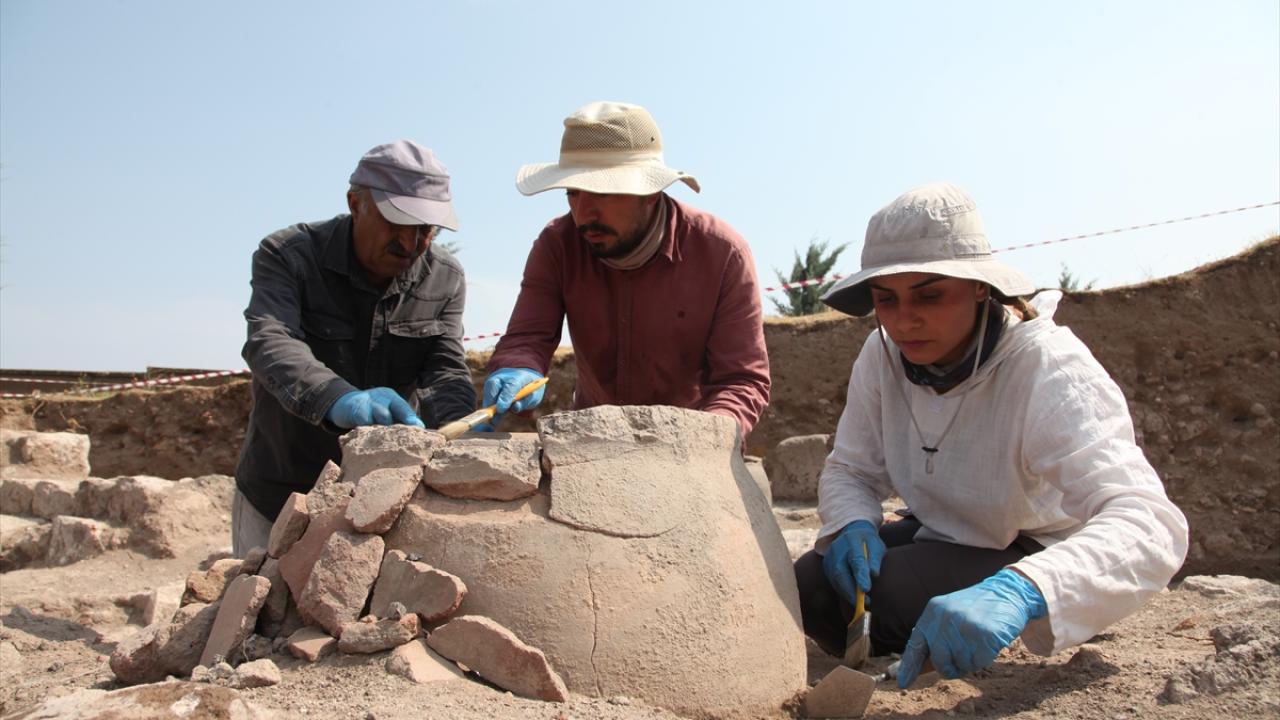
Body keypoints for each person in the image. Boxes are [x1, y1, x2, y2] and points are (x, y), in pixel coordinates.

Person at [794, 182, 1188, 688]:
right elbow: (852, 468)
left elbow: (1151, 522)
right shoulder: (881, 354)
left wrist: (1027, 588)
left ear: (980, 287)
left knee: (887, 600)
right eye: (885, 300)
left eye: (929, 295)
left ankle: (1029, 605)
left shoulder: (1047, 365)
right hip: (941, 530)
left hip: (1033, 546)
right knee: (813, 586)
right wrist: (852, 523)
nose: (904, 320)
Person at [233, 140, 476, 556]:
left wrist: (462, 425)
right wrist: (337, 399)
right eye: (398, 222)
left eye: (425, 229)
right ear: (355, 204)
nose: (410, 243)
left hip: (384, 501)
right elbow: (271, 342)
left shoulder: (444, 277)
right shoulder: (289, 256)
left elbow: (444, 369)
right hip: (282, 494)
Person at [481, 101, 770, 438]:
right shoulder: (557, 246)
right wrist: (518, 365)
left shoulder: (722, 255)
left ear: (650, 192)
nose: (583, 215)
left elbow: (740, 380)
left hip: (687, 445)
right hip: (592, 443)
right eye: (573, 193)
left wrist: (706, 439)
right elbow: (529, 336)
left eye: (602, 194)